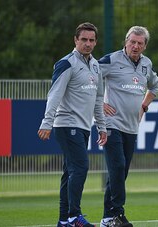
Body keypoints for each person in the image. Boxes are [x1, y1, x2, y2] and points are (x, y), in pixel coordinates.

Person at [37, 22, 107, 227]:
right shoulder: (66, 63)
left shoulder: (96, 66)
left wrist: (101, 127)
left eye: (91, 40)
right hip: (66, 124)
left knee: (70, 172)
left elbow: (98, 98)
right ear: (75, 40)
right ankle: (74, 216)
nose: (87, 43)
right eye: (83, 39)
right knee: (81, 167)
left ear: (95, 42)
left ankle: (63, 221)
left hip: (84, 126)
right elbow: (54, 95)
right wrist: (46, 122)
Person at [98, 26, 158, 227]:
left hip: (131, 127)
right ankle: (118, 214)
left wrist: (144, 106)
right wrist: (98, 104)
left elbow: (154, 86)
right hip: (111, 124)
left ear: (144, 46)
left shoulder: (146, 64)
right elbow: (89, 77)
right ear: (126, 41)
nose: (135, 46)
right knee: (117, 168)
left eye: (139, 43)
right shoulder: (111, 60)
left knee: (120, 173)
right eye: (132, 41)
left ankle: (107, 219)